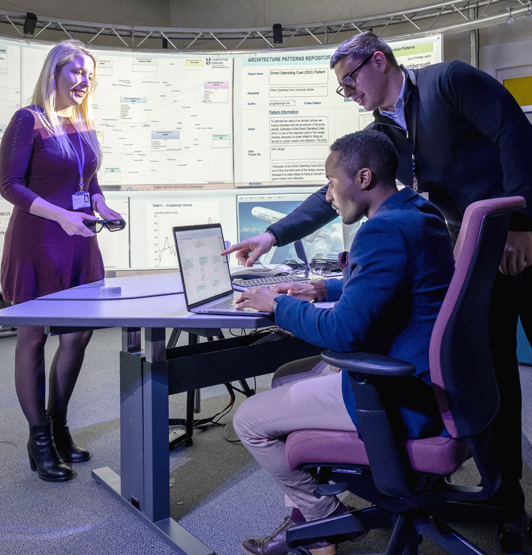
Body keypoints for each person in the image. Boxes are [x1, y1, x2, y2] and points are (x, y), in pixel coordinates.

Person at [223, 31, 532, 517]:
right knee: (489, 374)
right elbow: (337, 189)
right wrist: (273, 236)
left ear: (380, 61)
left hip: (517, 237)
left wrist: (519, 220)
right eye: (342, 88)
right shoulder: (383, 134)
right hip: (473, 256)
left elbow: (516, 133)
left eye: (349, 81)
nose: (349, 93)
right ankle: (504, 494)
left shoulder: (448, 81)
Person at [232, 130, 455, 555]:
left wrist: (275, 306)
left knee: (249, 420)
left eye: (332, 184)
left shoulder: (384, 231)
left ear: (364, 178)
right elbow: (388, 282)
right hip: (431, 376)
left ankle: (320, 520)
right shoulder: (417, 212)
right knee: (286, 378)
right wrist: (320, 289)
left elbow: (343, 333)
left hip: (399, 392)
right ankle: (307, 521)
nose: (329, 196)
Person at [0, 40, 122, 482]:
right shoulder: (27, 120)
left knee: (77, 337)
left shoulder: (83, 123)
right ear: (54, 72)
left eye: (90, 73)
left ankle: (58, 425)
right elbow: (10, 185)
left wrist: (102, 206)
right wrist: (61, 216)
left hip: (79, 241)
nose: (85, 80)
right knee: (32, 339)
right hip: (37, 243)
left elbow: (90, 182)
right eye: (76, 71)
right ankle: (38, 440)